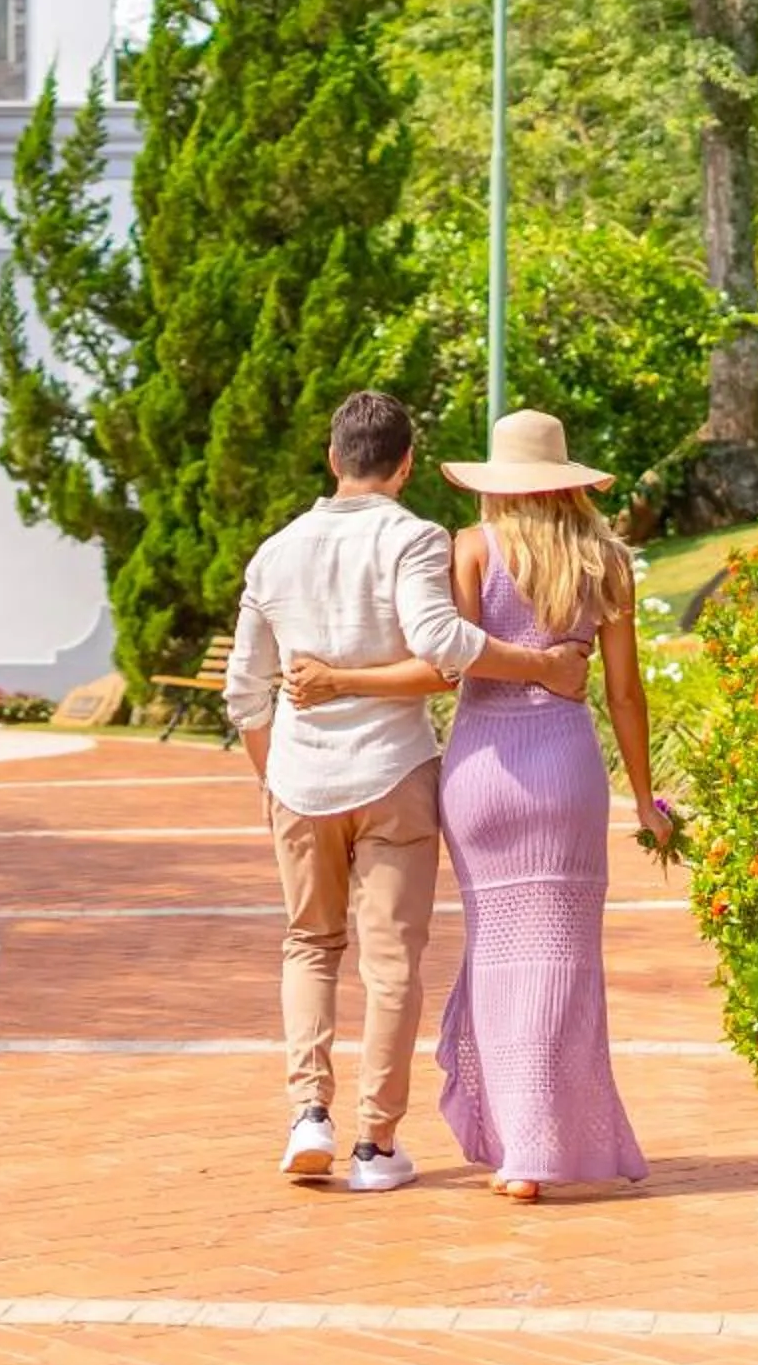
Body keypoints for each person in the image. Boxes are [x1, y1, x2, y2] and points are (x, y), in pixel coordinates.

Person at [285, 409, 670, 1203]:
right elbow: (625, 695)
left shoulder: (470, 548)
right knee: (565, 962)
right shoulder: (606, 561)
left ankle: (518, 1149)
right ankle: (537, 1145)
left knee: (496, 951)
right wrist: (644, 797)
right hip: (564, 771)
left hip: (481, 772)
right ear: (569, 481)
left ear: (497, 484)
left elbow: (444, 664)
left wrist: (338, 680)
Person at [224, 391, 592, 1193]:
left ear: (333, 458)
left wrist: (273, 778)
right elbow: (442, 644)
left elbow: (244, 692)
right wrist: (542, 665)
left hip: (299, 779)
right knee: (391, 963)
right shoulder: (414, 538)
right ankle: (374, 1145)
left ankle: (306, 1116)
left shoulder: (275, 551)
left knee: (310, 945)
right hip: (394, 774)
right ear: (406, 464)